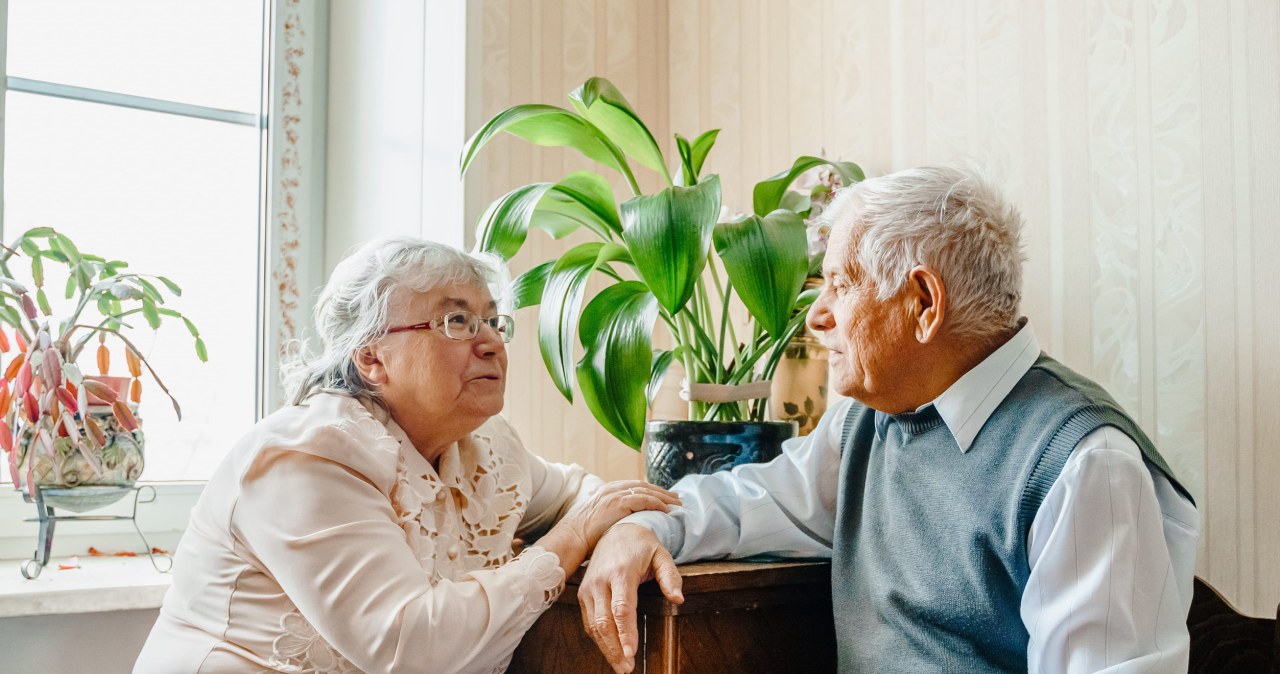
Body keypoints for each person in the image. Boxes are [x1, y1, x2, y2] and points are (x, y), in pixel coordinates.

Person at [579, 166, 1199, 673]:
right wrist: (644, 527)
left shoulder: (1086, 465)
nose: (816, 316)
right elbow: (751, 501)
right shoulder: (867, 422)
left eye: (839, 285)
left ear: (923, 303)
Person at [135, 237, 678, 673]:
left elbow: (585, 495)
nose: (491, 342)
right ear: (372, 357)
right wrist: (576, 534)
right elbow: (411, 649)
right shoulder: (310, 455)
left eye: (492, 321)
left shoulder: (486, 444)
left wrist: (624, 533)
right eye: (456, 322)